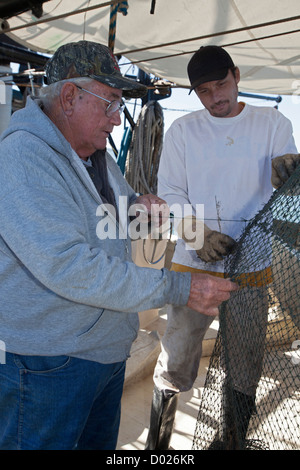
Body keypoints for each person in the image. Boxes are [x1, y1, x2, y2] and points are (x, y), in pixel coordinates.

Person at [0, 41, 238, 451]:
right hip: (47, 367)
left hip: (105, 353)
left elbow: (111, 215)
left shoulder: (94, 153)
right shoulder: (23, 156)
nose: (116, 119)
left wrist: (138, 209)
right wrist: (181, 287)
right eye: (110, 102)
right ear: (70, 97)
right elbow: (69, 265)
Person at [146, 45, 300, 450]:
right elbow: (170, 193)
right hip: (192, 268)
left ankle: (230, 441)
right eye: (203, 91)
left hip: (251, 268)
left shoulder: (273, 123)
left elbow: (284, 190)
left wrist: (288, 171)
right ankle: (157, 448)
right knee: (175, 359)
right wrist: (199, 235)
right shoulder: (184, 131)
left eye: (221, 85)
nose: (215, 97)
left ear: (236, 75)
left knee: (245, 364)